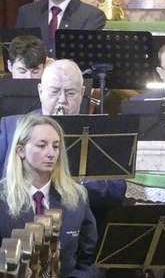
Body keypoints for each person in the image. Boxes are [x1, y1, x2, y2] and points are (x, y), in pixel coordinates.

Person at [0, 59, 126, 224]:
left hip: (76, 225)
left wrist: (76, 182)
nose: (62, 100)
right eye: (54, 91)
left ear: (82, 93)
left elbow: (117, 190)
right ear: (40, 91)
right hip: (18, 224)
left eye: (71, 93)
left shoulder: (98, 131)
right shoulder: (10, 127)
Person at [0, 114, 98, 277]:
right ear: (20, 150)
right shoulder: (2, 197)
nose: (51, 153)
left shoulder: (77, 196)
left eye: (56, 146)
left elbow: (87, 257)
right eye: (42, 145)